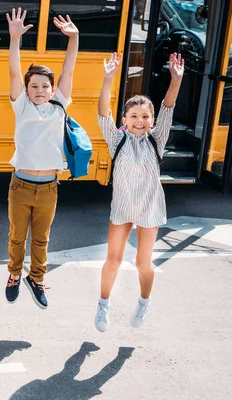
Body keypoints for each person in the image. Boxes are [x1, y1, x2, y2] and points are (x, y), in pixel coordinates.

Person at [94, 52, 184, 332]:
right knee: (113, 260)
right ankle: (103, 305)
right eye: (133, 115)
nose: (139, 120)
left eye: (145, 116)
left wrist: (175, 81)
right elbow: (102, 113)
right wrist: (108, 78)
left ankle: (144, 302)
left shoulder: (156, 139)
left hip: (149, 208)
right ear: (125, 118)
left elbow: (168, 106)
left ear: (152, 120)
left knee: (143, 263)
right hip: (122, 208)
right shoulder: (117, 139)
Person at [4, 9, 79, 309]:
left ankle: (36, 278)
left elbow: (68, 71)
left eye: (44, 86)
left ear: (52, 90)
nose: (39, 90)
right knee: (16, 238)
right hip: (21, 185)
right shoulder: (21, 105)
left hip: (49, 186)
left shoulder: (59, 105)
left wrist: (74, 39)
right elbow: (13, 71)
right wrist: (14, 40)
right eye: (33, 86)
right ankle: (13, 275)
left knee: (41, 240)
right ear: (27, 89)